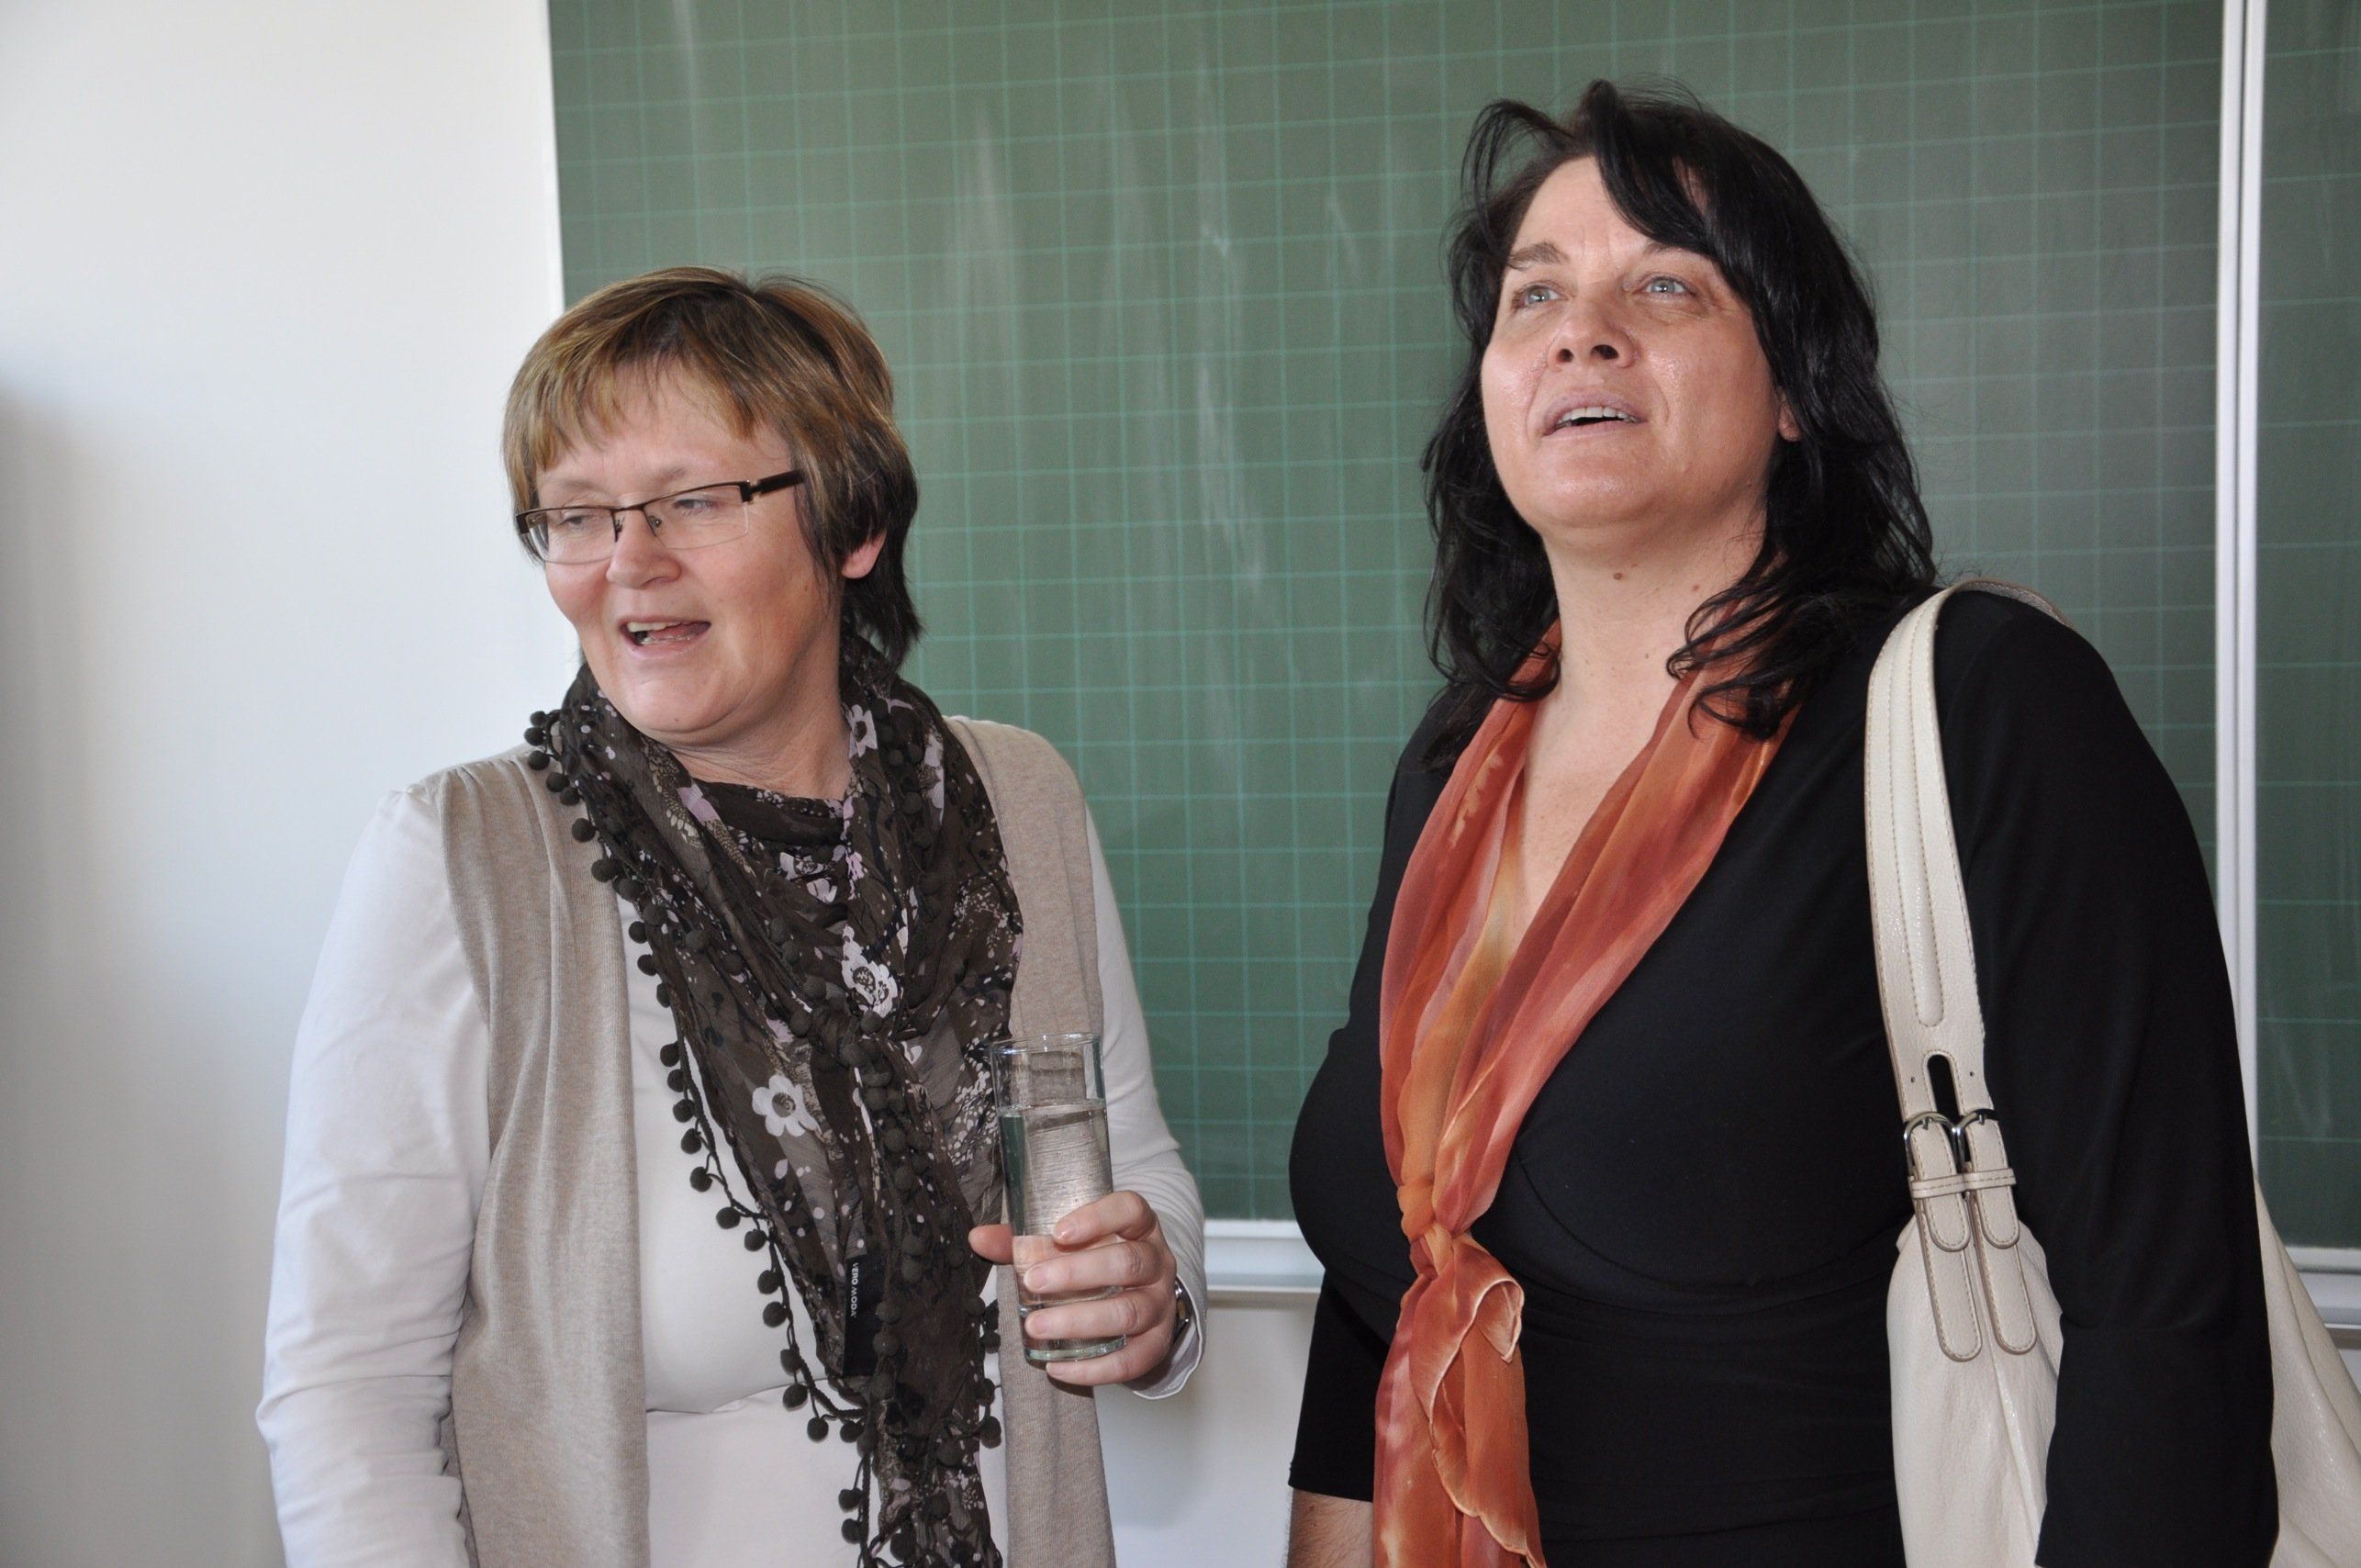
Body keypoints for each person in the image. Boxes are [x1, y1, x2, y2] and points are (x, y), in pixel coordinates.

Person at [1285, 82, 2275, 1568]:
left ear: (1798, 388)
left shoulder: (1981, 709)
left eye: (1665, 286)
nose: (1581, 332)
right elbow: (1401, 1273)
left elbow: (2168, 1335)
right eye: (1533, 295)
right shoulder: (1455, 771)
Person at [258, 266, 1205, 1568]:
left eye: (693, 501)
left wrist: (1156, 1296)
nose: (629, 565)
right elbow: (347, 1397)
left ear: (854, 525)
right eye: (577, 516)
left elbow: (1133, 1164)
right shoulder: (460, 858)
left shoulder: (1018, 801)